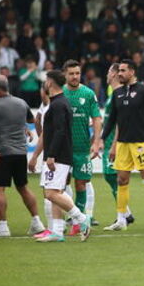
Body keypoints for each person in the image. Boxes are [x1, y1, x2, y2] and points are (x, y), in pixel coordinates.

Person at [102, 59, 144, 231]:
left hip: (140, 143)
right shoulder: (117, 93)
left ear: (132, 72)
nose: (119, 74)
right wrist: (102, 140)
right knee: (121, 180)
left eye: (123, 70)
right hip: (123, 144)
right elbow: (111, 121)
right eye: (119, 71)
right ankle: (121, 219)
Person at [0, 75, 45, 237]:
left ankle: (3, 226)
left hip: (1, 153)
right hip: (20, 152)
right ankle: (36, 221)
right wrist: (24, 127)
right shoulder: (21, 102)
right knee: (23, 187)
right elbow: (31, 121)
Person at [34, 69, 91, 242]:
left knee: (51, 193)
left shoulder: (59, 104)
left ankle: (81, 219)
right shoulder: (58, 102)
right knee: (53, 193)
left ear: (50, 83)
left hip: (58, 156)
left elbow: (60, 131)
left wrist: (51, 155)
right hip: (56, 155)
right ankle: (57, 231)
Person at [62, 60, 103, 235]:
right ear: (65, 74)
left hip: (81, 147)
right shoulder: (59, 92)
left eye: (77, 73)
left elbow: (97, 119)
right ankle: (59, 221)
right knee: (60, 185)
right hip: (62, 147)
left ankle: (78, 223)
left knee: (81, 183)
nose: (75, 76)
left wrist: (96, 142)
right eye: (71, 73)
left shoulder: (88, 93)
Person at [101, 63, 134, 226]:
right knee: (110, 176)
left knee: (113, 176)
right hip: (107, 143)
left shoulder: (118, 94)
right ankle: (125, 213)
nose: (106, 75)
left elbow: (121, 123)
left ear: (114, 74)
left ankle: (124, 214)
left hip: (115, 143)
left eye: (108, 72)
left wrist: (114, 145)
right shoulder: (113, 94)